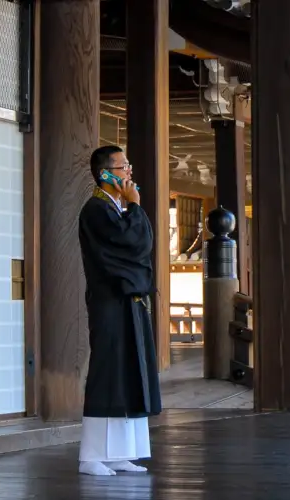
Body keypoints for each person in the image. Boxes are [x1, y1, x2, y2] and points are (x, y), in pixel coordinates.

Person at [77, 145, 162, 476]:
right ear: (105, 174)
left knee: (128, 373)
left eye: (128, 165)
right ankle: (92, 456)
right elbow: (134, 246)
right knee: (108, 372)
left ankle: (121, 452)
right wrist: (136, 208)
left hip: (127, 301)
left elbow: (138, 248)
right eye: (123, 166)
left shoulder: (115, 209)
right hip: (109, 301)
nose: (129, 172)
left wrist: (131, 210)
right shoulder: (96, 211)